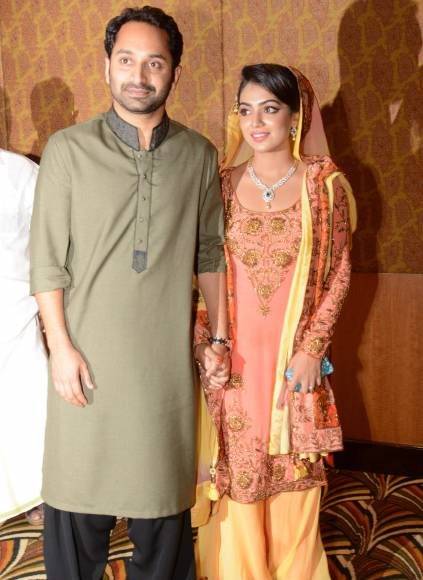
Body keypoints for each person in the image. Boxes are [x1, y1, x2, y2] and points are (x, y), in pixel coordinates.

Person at [29, 6, 229, 579]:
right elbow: (46, 260)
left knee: (162, 511)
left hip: (163, 370)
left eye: (154, 63)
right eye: (126, 60)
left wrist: (218, 337)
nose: (138, 75)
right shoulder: (68, 149)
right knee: (75, 504)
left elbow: (210, 254)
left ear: (174, 73)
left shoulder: (198, 154)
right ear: (107, 66)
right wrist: (60, 348)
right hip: (85, 362)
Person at [193, 64, 357, 579]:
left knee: (293, 475)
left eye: (270, 109)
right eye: (246, 110)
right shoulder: (222, 185)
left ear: (295, 116)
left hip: (292, 361)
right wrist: (207, 345)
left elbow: (339, 271)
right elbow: (206, 271)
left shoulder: (322, 185)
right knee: (241, 474)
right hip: (238, 359)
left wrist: (311, 351)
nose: (256, 123)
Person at [0, 149, 47, 526]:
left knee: (27, 402)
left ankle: (37, 493)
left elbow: (48, 245)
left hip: (15, 310)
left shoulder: (21, 172)